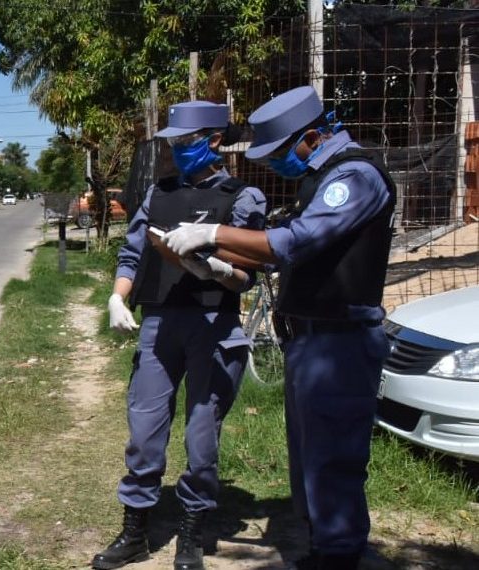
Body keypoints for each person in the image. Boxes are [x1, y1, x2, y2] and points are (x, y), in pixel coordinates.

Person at [160, 86, 396, 570]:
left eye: (281, 152)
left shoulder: (354, 176)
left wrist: (214, 232)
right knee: (310, 457)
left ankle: (340, 553)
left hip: (340, 341)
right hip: (309, 339)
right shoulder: (320, 179)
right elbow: (287, 256)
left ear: (311, 137)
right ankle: (326, 546)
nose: (275, 165)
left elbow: (300, 239)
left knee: (334, 458)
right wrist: (215, 261)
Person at [94, 101, 266, 570]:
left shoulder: (242, 198)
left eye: (184, 141)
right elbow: (133, 254)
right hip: (160, 323)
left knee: (202, 433)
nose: (175, 149)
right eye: (172, 142)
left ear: (213, 140)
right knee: (144, 429)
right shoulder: (158, 194)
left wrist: (213, 268)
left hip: (213, 325)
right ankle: (135, 531)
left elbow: (249, 273)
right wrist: (118, 297)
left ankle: (192, 530)